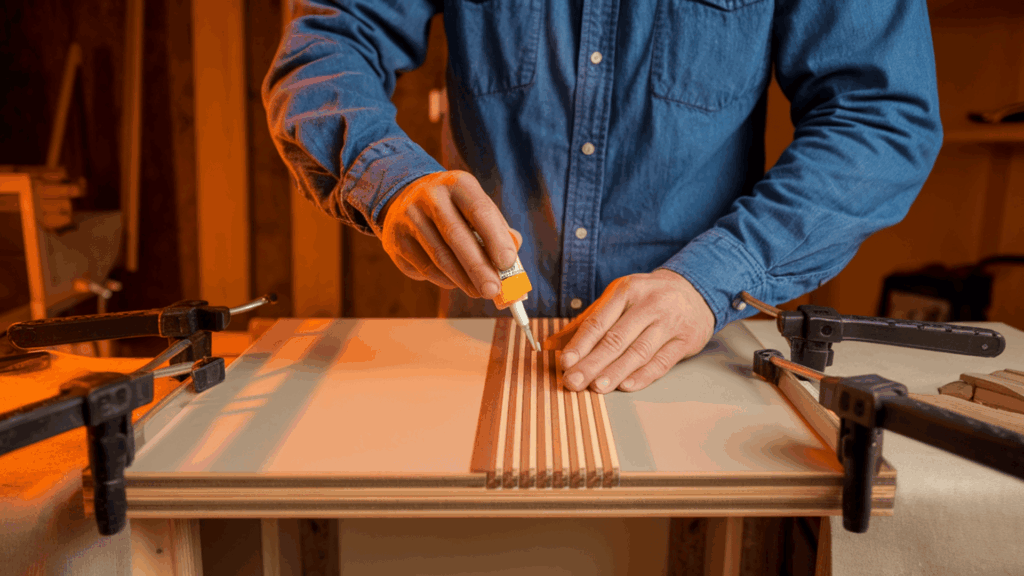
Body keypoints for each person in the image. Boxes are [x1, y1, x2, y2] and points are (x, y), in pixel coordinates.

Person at [264, 0, 942, 394]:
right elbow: (328, 42)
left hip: (700, 357)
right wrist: (391, 181)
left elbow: (880, 116)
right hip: (484, 356)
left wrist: (714, 279)